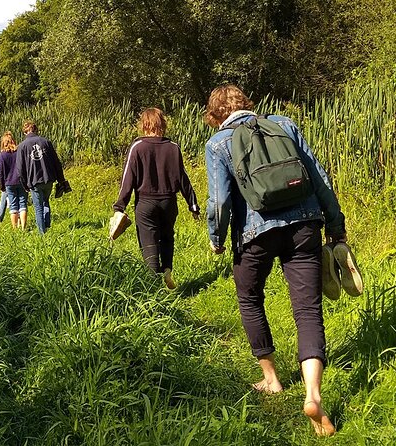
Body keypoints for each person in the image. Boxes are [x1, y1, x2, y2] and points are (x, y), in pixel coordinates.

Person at [203, 84, 346, 436]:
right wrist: (335, 225)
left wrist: (217, 239)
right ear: (246, 104)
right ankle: (313, 393)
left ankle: (272, 379)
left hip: (255, 236)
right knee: (308, 309)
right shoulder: (283, 124)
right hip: (305, 225)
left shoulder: (217, 144)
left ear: (216, 115)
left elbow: (220, 201)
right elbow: (319, 177)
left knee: (250, 299)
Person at [112, 107, 200, 289]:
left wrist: (119, 207)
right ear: (162, 124)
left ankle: (153, 288)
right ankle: (167, 269)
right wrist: (193, 205)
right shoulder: (173, 147)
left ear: (144, 124)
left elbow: (128, 178)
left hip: (146, 202)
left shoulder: (138, 147)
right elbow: (183, 177)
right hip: (169, 202)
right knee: (167, 237)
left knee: (149, 243)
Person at [16, 120, 66, 234]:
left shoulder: (22, 146)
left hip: (34, 180)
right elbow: (56, 162)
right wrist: (60, 179)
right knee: (46, 202)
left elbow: (20, 168)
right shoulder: (46, 142)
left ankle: (42, 233)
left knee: (38, 207)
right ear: (36, 129)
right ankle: (47, 225)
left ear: (25, 132)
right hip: (48, 178)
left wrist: (24, 184)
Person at [0, 131, 28, 229]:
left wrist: (2, 186)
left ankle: (15, 228)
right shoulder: (19, 151)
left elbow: (1, 172)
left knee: (13, 206)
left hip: (9, 183)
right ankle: (23, 228)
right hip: (21, 181)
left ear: (4, 143)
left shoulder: (3, 155)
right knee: (23, 204)